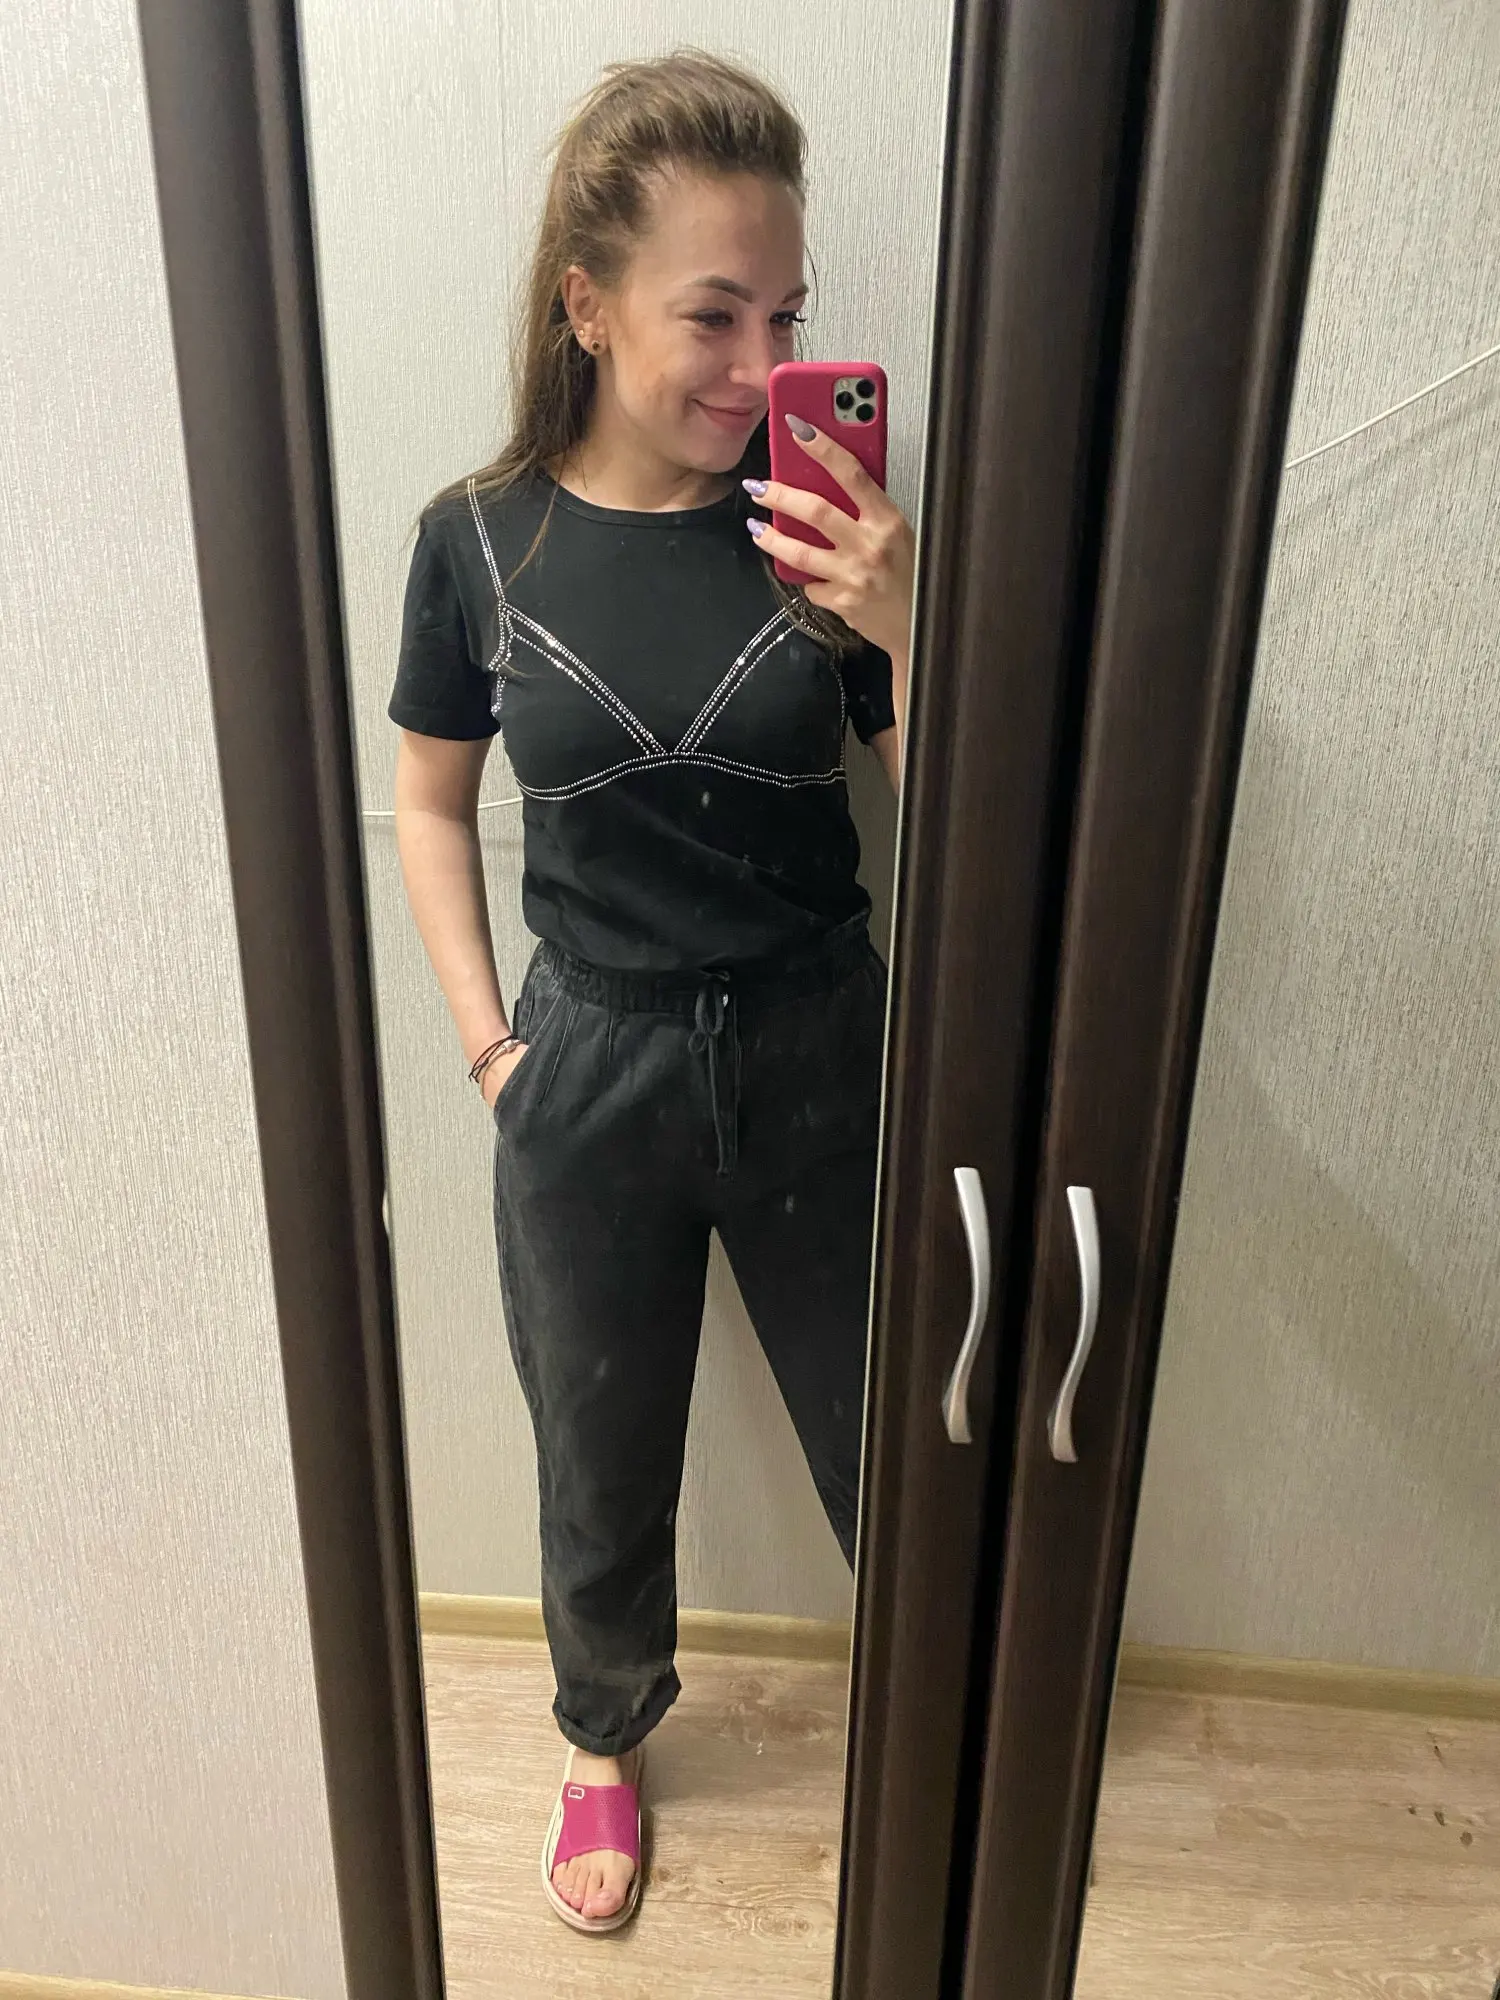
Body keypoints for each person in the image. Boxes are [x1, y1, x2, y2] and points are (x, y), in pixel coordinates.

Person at [389, 48, 914, 1933]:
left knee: (890, 1426)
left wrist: (906, 620)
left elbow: (972, 815)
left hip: (824, 1041)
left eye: (787, 314)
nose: (757, 361)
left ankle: (939, 1707)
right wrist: (491, 1049)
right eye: (715, 312)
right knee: (597, 1444)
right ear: (587, 305)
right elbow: (426, 803)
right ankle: (602, 1737)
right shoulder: (477, 542)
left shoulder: (826, 523)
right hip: (587, 1063)